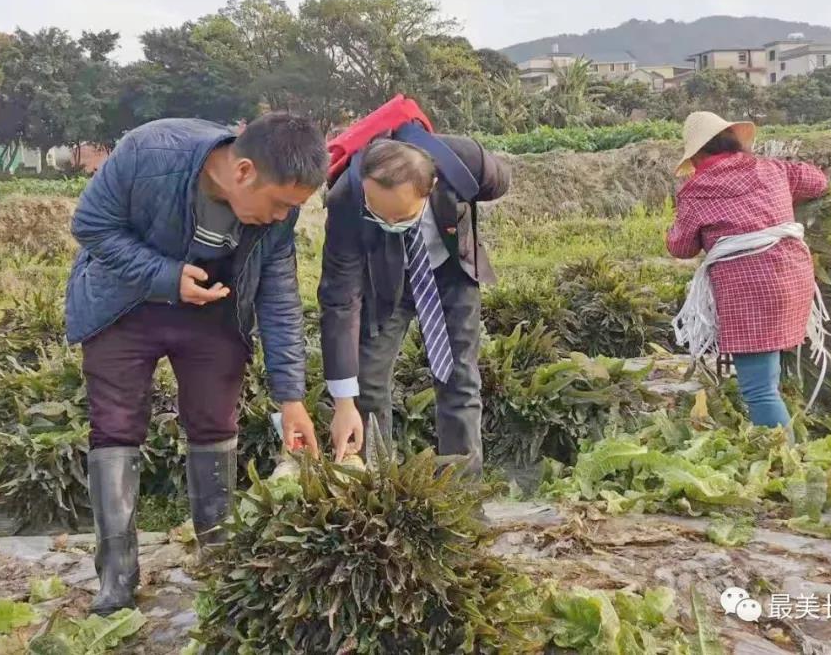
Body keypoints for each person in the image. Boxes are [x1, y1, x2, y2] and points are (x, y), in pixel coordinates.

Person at [65, 113, 328, 615]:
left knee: (214, 420)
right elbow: (91, 225)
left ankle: (218, 557)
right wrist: (163, 276)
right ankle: (116, 575)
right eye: (277, 205)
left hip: (213, 306)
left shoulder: (280, 213)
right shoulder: (149, 154)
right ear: (244, 171)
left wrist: (291, 399)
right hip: (125, 302)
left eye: (290, 209)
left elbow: (278, 294)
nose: (280, 217)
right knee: (116, 426)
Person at [319, 136, 510, 473]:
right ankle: (376, 488)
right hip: (383, 281)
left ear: (432, 186)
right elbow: (339, 298)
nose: (390, 225)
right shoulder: (347, 198)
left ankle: (461, 493)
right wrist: (343, 399)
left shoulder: (465, 163)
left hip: (450, 272)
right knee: (369, 378)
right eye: (379, 216)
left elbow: (499, 183)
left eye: (400, 217)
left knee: (459, 378)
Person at [667, 110, 828, 427]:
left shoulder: (697, 189)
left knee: (760, 391)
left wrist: (669, 232)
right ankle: (786, 449)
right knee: (770, 379)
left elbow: (681, 247)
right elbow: (819, 182)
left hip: (749, 289)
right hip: (792, 276)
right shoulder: (772, 168)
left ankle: (784, 466)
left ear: (698, 153)